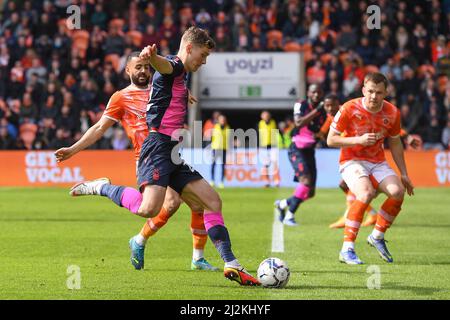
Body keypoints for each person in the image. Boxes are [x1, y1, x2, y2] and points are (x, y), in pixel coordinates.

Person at [71, 27, 258, 285]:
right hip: (157, 147)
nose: (203, 62)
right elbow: (166, 66)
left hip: (172, 150)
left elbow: (165, 79)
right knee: (149, 208)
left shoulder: (178, 75)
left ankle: (231, 263)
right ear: (190, 48)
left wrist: (178, 89)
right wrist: (153, 58)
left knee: (212, 201)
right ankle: (102, 187)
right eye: (203, 55)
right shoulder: (175, 65)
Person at [54, 51, 219, 272]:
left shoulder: (160, 89)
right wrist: (73, 149)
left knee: (196, 203)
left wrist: (183, 93)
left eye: (146, 67)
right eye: (138, 67)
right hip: (148, 157)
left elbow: (174, 93)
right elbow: (99, 128)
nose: (143, 71)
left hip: (169, 153)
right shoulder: (120, 97)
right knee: (163, 205)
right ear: (128, 70)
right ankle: (103, 190)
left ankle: (194, 258)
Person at [327, 72, 414, 265]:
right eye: (371, 91)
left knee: (397, 192)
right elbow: (330, 139)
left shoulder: (392, 113)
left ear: (386, 93)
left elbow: (396, 144)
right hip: (351, 160)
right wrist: (358, 139)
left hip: (377, 162)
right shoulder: (349, 108)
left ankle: (377, 236)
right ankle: (347, 249)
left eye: (379, 92)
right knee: (365, 194)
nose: (374, 96)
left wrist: (404, 174)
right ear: (363, 90)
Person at [275, 84, 328, 226]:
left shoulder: (324, 111)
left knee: (310, 193)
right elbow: (298, 123)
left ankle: (283, 204)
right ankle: (289, 217)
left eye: (319, 92)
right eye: (313, 92)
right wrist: (317, 110)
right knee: (305, 181)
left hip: (310, 150)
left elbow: (322, 129)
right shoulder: (301, 104)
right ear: (308, 93)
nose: (316, 95)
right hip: (296, 149)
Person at [258, 110, 280, 187]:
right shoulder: (260, 124)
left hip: (273, 146)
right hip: (263, 147)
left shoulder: (274, 122)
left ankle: (277, 181)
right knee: (265, 165)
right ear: (262, 117)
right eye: (264, 116)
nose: (266, 117)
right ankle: (266, 182)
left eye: (267, 116)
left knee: (275, 163)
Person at [210, 113, 230, 188]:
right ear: (218, 120)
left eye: (224, 120)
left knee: (222, 166)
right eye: (221, 120)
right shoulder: (215, 127)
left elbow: (228, 139)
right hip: (215, 148)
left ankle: (221, 182)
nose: (223, 121)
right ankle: (212, 180)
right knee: (213, 165)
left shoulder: (227, 128)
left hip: (223, 149)